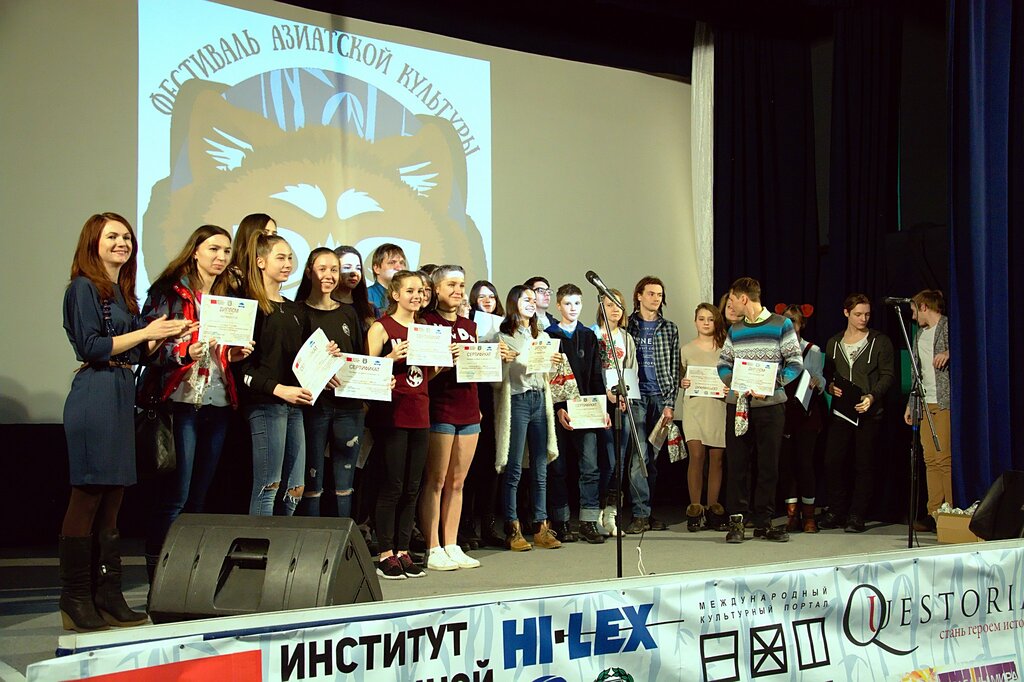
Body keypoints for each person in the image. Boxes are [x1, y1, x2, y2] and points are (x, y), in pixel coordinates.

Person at [60, 213, 195, 632]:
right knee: (88, 495)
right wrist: (145, 332)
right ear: (93, 243)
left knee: (113, 498)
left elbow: (136, 353)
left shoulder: (120, 292)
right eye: (112, 236)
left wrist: (165, 335)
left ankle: (107, 595)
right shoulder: (83, 287)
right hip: (95, 394)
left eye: (126, 237)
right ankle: (75, 599)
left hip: (121, 393)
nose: (122, 243)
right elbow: (92, 346)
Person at [141, 225, 252, 585]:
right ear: (195, 251)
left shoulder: (227, 295)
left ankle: (186, 574)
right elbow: (147, 348)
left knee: (199, 498)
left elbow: (224, 352)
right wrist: (183, 352)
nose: (221, 257)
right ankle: (160, 573)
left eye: (226, 251)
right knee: (176, 495)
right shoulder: (169, 292)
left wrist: (233, 354)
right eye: (213, 249)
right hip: (180, 400)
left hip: (216, 400)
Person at [717, 277, 803, 544]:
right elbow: (723, 364)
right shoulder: (735, 329)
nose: (730, 304)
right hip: (739, 406)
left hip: (770, 406)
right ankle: (737, 521)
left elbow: (795, 362)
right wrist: (736, 383)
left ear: (744, 298)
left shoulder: (781, 324)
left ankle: (764, 521)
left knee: (768, 465)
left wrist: (772, 384)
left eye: (733, 299)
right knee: (737, 463)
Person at [419, 265, 494, 570]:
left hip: (468, 407)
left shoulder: (469, 326)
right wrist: (443, 361)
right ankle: (432, 546)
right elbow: (422, 375)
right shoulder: (426, 323)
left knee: (458, 482)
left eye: (461, 285)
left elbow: (475, 370)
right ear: (436, 289)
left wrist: (492, 358)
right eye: (451, 285)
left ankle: (452, 543)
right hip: (440, 407)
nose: (458, 290)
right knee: (436, 480)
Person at [366, 270, 435, 579]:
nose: (417, 296)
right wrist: (391, 357)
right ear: (395, 295)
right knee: (392, 484)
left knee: (412, 486)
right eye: (410, 290)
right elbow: (367, 370)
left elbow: (428, 374)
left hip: (420, 413)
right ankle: (385, 552)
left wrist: (442, 363)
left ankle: (404, 550)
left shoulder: (425, 329)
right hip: (392, 414)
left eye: (420, 291)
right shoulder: (381, 327)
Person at [239, 233, 311, 517]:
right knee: (268, 486)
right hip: (265, 405)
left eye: (290, 258)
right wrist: (277, 389)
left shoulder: (294, 309)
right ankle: (259, 543)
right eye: (280, 257)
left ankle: (282, 542)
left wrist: (323, 361)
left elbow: (300, 359)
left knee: (295, 488)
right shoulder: (249, 306)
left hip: (294, 406)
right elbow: (242, 368)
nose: (287, 263)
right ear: (260, 261)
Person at [295, 248, 366, 518]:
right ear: (309, 272)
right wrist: (318, 369)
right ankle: (311, 537)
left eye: (334, 270)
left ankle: (343, 536)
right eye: (322, 269)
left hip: (349, 407)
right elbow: (292, 361)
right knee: (312, 478)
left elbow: (358, 357)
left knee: (345, 483)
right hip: (314, 406)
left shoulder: (348, 313)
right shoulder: (297, 311)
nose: (329, 275)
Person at [495, 285, 564, 551]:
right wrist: (507, 361)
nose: (532, 303)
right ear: (514, 302)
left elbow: (546, 373)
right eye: (527, 299)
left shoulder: (542, 335)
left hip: (539, 400)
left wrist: (554, 362)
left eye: (534, 300)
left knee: (540, 466)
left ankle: (541, 526)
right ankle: (512, 527)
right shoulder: (503, 336)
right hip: (517, 400)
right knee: (513, 467)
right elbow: (497, 378)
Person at [820, 294, 895, 533]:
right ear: (846, 313)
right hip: (841, 412)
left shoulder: (879, 341)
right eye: (858, 314)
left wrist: (872, 396)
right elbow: (828, 374)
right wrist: (831, 387)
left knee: (864, 464)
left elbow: (887, 375)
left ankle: (857, 514)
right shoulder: (834, 342)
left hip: (868, 411)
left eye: (867, 314)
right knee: (833, 461)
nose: (863, 319)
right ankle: (836, 510)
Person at [545, 284, 610, 544]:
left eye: (577, 303)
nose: (573, 308)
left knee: (590, 467)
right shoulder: (549, 335)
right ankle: (560, 522)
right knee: (558, 468)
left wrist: (602, 410)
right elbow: (548, 378)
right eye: (568, 303)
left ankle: (588, 521)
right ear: (558, 306)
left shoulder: (588, 335)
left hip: (586, 410)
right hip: (560, 411)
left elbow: (596, 376)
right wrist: (558, 408)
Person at [624, 276, 680, 533]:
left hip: (660, 398)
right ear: (639, 295)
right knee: (639, 457)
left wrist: (670, 403)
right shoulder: (628, 326)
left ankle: (646, 511)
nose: (656, 298)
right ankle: (639, 514)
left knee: (653, 459)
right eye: (651, 293)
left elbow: (674, 368)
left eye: (659, 294)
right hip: (636, 397)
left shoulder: (669, 328)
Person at [775, 304, 826, 533]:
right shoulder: (776, 349)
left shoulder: (812, 350)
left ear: (801, 324)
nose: (790, 326)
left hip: (807, 414)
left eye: (793, 322)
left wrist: (818, 382)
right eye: (786, 322)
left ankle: (809, 516)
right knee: (786, 465)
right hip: (784, 413)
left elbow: (820, 378)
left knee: (805, 463)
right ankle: (791, 515)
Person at [905, 290, 951, 532]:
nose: (913, 317)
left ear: (924, 306)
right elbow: (916, 373)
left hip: (943, 402)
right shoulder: (920, 335)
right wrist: (911, 404)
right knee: (929, 459)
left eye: (914, 310)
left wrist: (949, 353)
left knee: (944, 459)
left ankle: (951, 512)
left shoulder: (947, 327)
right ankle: (934, 513)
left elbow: (970, 350)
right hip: (924, 402)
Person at [679, 303, 727, 532]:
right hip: (694, 407)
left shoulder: (725, 349)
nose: (706, 323)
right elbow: (680, 377)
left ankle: (712, 510)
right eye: (701, 318)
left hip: (718, 406)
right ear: (695, 321)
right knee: (696, 456)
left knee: (716, 460)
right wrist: (682, 382)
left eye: (710, 318)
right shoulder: (686, 349)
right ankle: (695, 510)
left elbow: (732, 376)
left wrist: (729, 387)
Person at [591, 287, 635, 537]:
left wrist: (625, 396)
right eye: (609, 304)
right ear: (601, 308)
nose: (615, 309)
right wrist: (605, 393)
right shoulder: (592, 334)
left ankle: (611, 515)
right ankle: (595, 513)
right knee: (605, 461)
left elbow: (631, 370)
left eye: (618, 305)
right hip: (600, 402)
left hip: (621, 403)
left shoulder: (626, 338)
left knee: (619, 461)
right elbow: (591, 371)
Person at [226, 213, 276, 295]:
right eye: (265, 233)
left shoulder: (269, 272)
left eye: (274, 234)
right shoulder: (232, 275)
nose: (271, 238)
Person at [331, 245, 378, 330]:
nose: (354, 273)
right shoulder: (326, 307)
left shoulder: (371, 309)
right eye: (347, 267)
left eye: (358, 268)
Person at [366, 243, 407, 312]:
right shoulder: (368, 295)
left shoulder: (407, 294)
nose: (399, 268)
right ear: (376, 268)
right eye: (392, 262)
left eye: (401, 263)